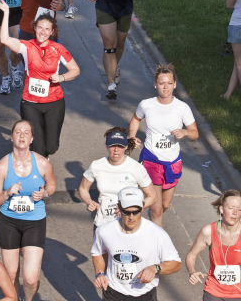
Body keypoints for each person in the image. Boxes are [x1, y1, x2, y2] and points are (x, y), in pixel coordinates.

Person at [0, 0, 80, 156]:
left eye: (47, 29)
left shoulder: (58, 49)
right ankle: (39, 171)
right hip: (30, 102)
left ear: (52, 31)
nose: (43, 32)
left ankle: (44, 156)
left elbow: (75, 70)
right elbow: (4, 39)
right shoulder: (26, 47)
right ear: (34, 28)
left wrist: (61, 78)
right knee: (38, 147)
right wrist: (6, 12)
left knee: (51, 147)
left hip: (54, 103)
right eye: (40, 28)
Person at [0, 119, 56, 301]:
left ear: (32, 138)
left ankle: (28, 298)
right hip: (8, 222)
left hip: (34, 222)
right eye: (18, 132)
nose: (22, 136)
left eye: (26, 132)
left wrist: (44, 194)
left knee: (31, 278)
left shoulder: (42, 164)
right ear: (11, 137)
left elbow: (52, 185)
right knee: (10, 275)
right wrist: (6, 193)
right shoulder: (3, 166)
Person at [128, 63, 199, 227]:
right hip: (151, 159)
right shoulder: (146, 104)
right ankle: (157, 247)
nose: (165, 87)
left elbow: (195, 133)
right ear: (155, 85)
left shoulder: (182, 108)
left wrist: (185, 133)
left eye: (169, 83)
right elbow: (135, 119)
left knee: (165, 205)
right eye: (161, 83)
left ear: (174, 84)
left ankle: (150, 219)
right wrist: (132, 136)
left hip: (172, 162)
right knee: (157, 210)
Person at [91, 186, 182, 299]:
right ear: (119, 207)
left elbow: (176, 263)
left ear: (143, 207)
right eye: (126, 212)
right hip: (113, 292)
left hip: (144, 294)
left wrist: (155, 268)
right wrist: (100, 274)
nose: (131, 217)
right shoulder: (104, 231)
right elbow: (97, 252)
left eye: (136, 212)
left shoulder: (157, 234)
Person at [79, 128, 155, 230]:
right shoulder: (97, 165)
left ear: (126, 146)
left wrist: (131, 208)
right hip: (102, 223)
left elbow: (152, 196)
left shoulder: (136, 168)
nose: (116, 149)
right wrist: (89, 202)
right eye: (112, 145)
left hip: (128, 224)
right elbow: (83, 189)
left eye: (120, 146)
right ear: (107, 146)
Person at [185, 189, 241, 300]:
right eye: (231, 208)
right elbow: (191, 256)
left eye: (239, 209)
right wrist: (192, 272)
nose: (235, 213)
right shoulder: (208, 232)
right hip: (213, 291)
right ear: (221, 209)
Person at [224, 0, 241, 100]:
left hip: (236, 26)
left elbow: (229, 4)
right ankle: (227, 95)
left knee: (239, 62)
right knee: (238, 62)